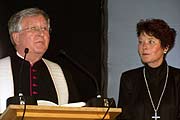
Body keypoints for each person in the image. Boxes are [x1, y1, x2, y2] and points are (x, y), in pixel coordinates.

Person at [0, 8, 80, 113]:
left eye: (44, 29)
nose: (41, 34)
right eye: (33, 28)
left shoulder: (61, 73)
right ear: (16, 37)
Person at [117, 18, 180, 120]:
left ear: (165, 47)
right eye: (141, 42)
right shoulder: (129, 79)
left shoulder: (177, 78)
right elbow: (124, 116)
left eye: (151, 41)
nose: (144, 47)